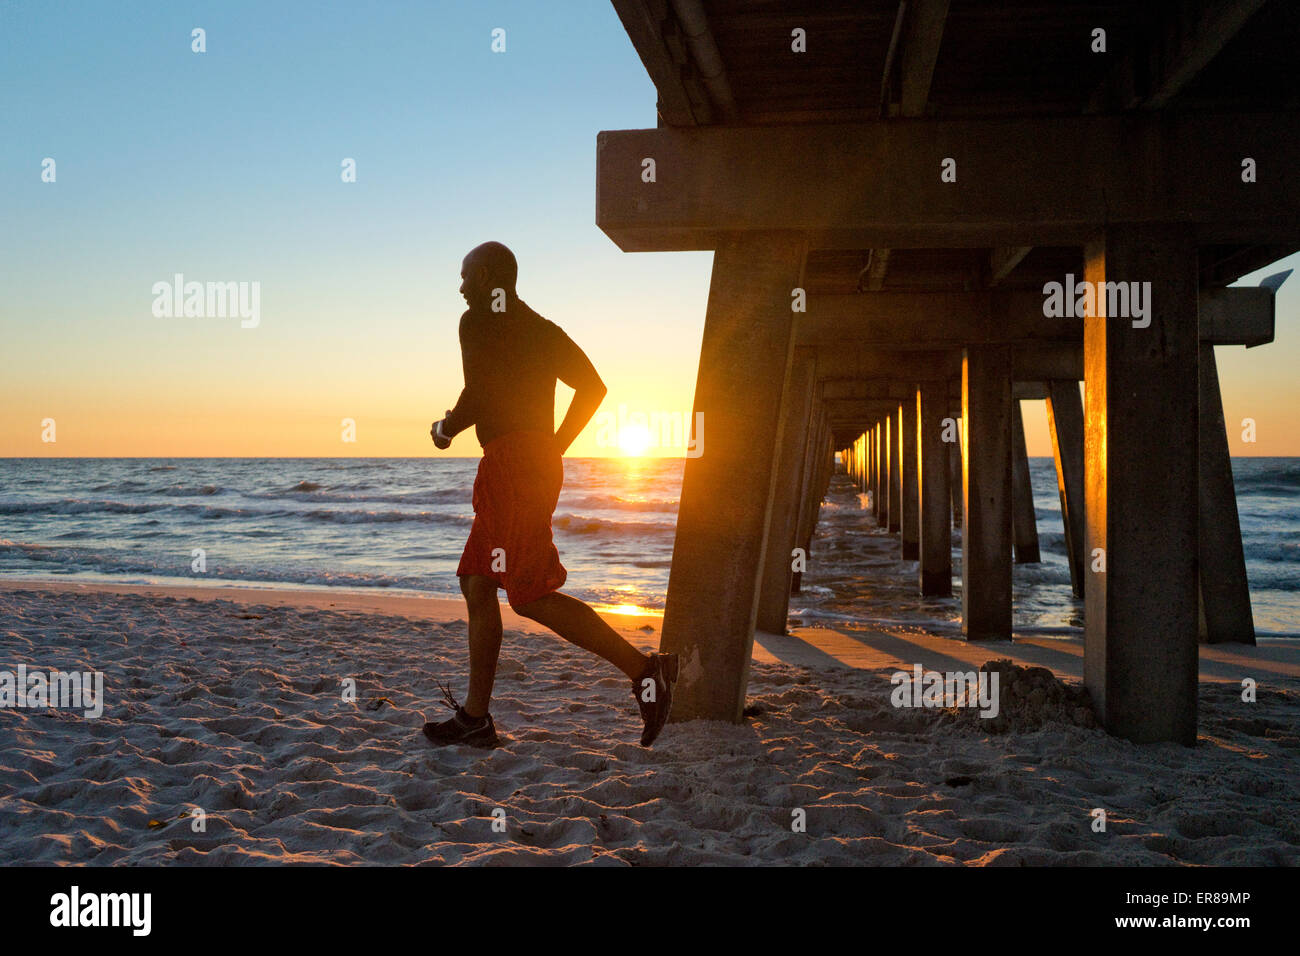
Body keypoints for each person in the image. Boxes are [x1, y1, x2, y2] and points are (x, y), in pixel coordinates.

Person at [425, 241, 678, 749]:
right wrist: (555, 446)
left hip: (513, 465)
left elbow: (477, 392)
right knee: (477, 582)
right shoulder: (543, 330)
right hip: (531, 461)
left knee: (530, 594)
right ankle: (475, 717)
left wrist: (446, 427)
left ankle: (646, 671)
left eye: (467, 275)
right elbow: (594, 388)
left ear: (492, 275)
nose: (460, 287)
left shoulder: (474, 322)